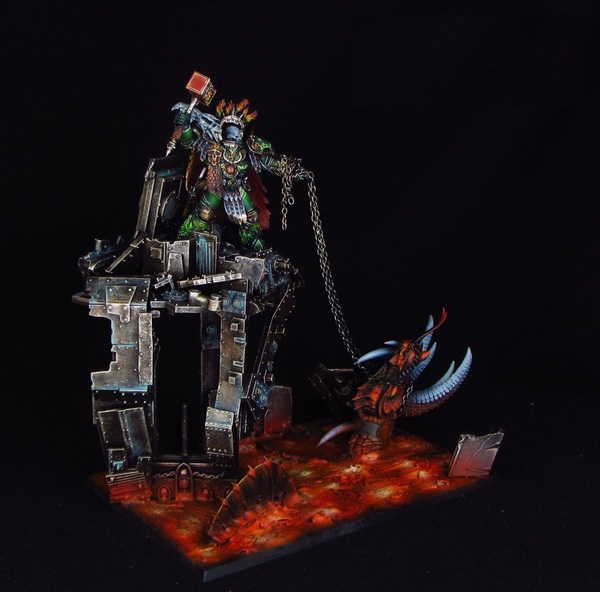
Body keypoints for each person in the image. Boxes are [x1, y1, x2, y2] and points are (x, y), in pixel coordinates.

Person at [172, 98, 296, 251]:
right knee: (204, 213)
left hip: (238, 188)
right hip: (216, 186)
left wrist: (290, 169)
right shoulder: (213, 147)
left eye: (236, 130)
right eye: (229, 130)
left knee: (251, 217)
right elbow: (191, 143)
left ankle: (251, 242)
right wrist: (184, 127)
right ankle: (185, 238)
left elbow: (268, 161)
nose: (233, 134)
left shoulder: (248, 149)